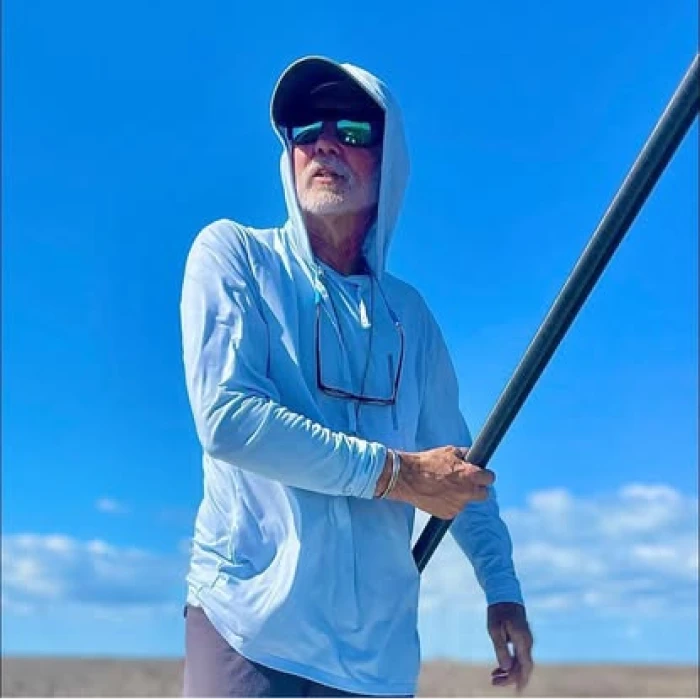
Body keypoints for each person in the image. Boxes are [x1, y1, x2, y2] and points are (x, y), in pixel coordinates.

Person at [180, 55, 534, 698]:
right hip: (249, 631)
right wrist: (398, 474)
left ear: (390, 156)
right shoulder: (234, 255)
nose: (323, 143)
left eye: (352, 130)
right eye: (304, 129)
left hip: (377, 659)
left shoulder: (410, 317)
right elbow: (228, 420)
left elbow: (459, 466)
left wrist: (501, 588)